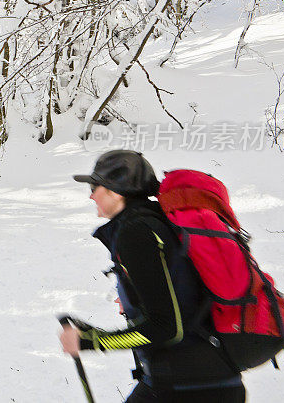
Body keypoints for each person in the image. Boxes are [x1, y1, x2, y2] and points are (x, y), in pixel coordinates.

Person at [59, 150, 245, 403]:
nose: (91, 195)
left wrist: (92, 342)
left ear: (116, 190)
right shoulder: (154, 222)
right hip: (206, 379)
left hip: (187, 387)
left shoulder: (136, 232)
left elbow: (166, 328)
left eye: (95, 186)